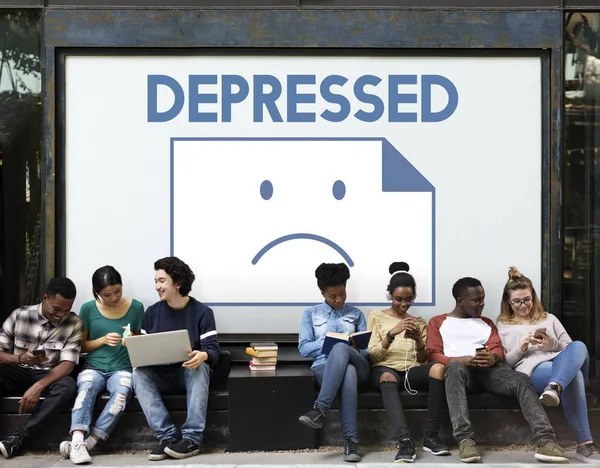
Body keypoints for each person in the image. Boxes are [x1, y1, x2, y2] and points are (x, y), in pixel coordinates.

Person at [427, 277, 568, 464]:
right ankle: (465, 440)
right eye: (476, 300)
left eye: (483, 299)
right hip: (460, 372)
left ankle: (546, 440)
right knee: (453, 368)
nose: (482, 304)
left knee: (521, 379)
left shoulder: (487, 323)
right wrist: (460, 359)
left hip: (488, 371)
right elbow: (433, 354)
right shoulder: (438, 322)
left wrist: (492, 358)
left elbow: (497, 349)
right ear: (460, 301)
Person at [497, 266, 600, 463]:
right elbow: (504, 365)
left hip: (561, 365)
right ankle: (585, 445)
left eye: (527, 300)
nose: (523, 305)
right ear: (508, 302)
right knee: (575, 376)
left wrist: (551, 344)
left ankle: (555, 386)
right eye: (517, 301)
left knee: (579, 345)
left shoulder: (549, 318)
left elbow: (572, 350)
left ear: (533, 296)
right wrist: (521, 348)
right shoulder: (502, 326)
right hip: (534, 371)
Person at [132, 257, 219, 461]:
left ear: (177, 283)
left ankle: (191, 439)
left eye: (162, 281)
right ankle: (167, 437)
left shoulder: (203, 313)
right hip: (161, 374)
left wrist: (203, 355)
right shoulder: (152, 313)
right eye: (156, 281)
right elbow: (145, 351)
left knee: (200, 367)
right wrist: (134, 346)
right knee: (138, 374)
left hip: (189, 373)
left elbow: (213, 351)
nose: (157, 286)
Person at [58, 266, 144, 464]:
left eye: (117, 291)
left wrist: (132, 340)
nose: (114, 297)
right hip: (94, 367)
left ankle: (89, 444)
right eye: (107, 294)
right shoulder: (88, 308)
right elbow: (80, 346)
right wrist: (103, 340)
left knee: (121, 395)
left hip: (123, 368)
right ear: (96, 292)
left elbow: (140, 345)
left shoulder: (137, 307)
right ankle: (78, 440)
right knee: (86, 389)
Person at [367, 261, 449, 462]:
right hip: (385, 369)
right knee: (387, 376)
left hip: (411, 371)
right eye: (398, 299)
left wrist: (419, 341)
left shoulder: (419, 322)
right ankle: (405, 441)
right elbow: (373, 356)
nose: (404, 304)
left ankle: (431, 436)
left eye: (409, 299)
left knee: (438, 368)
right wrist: (391, 334)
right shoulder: (376, 316)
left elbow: (423, 360)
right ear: (389, 296)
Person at [0, 277, 82, 459]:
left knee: (68, 386)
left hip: (47, 375)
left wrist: (39, 386)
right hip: (16, 371)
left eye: (66, 310)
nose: (60, 315)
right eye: (56, 309)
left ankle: (19, 438)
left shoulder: (74, 323)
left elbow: (68, 364)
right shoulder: (20, 314)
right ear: (45, 298)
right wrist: (20, 358)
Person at [298, 263, 369, 463]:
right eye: (333, 296)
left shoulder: (356, 314)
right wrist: (331, 339)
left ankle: (320, 409)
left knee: (343, 353)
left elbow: (366, 352)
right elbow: (304, 348)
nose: (339, 300)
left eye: (342, 293)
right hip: (324, 367)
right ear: (322, 292)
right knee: (347, 372)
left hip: (360, 365)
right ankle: (351, 442)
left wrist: (351, 347)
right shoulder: (310, 314)